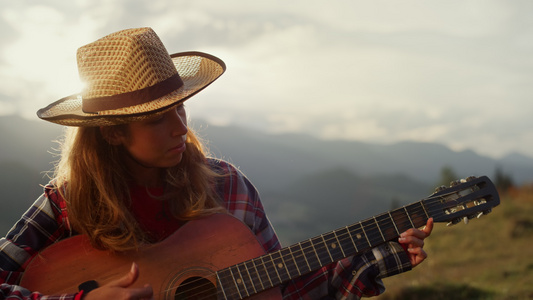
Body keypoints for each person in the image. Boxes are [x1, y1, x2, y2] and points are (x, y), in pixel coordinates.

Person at [0, 27, 433, 300]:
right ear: (113, 132)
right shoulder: (66, 204)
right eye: (156, 119)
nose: (179, 127)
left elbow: (279, 285)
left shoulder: (227, 186)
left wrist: (375, 258)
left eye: (180, 108)